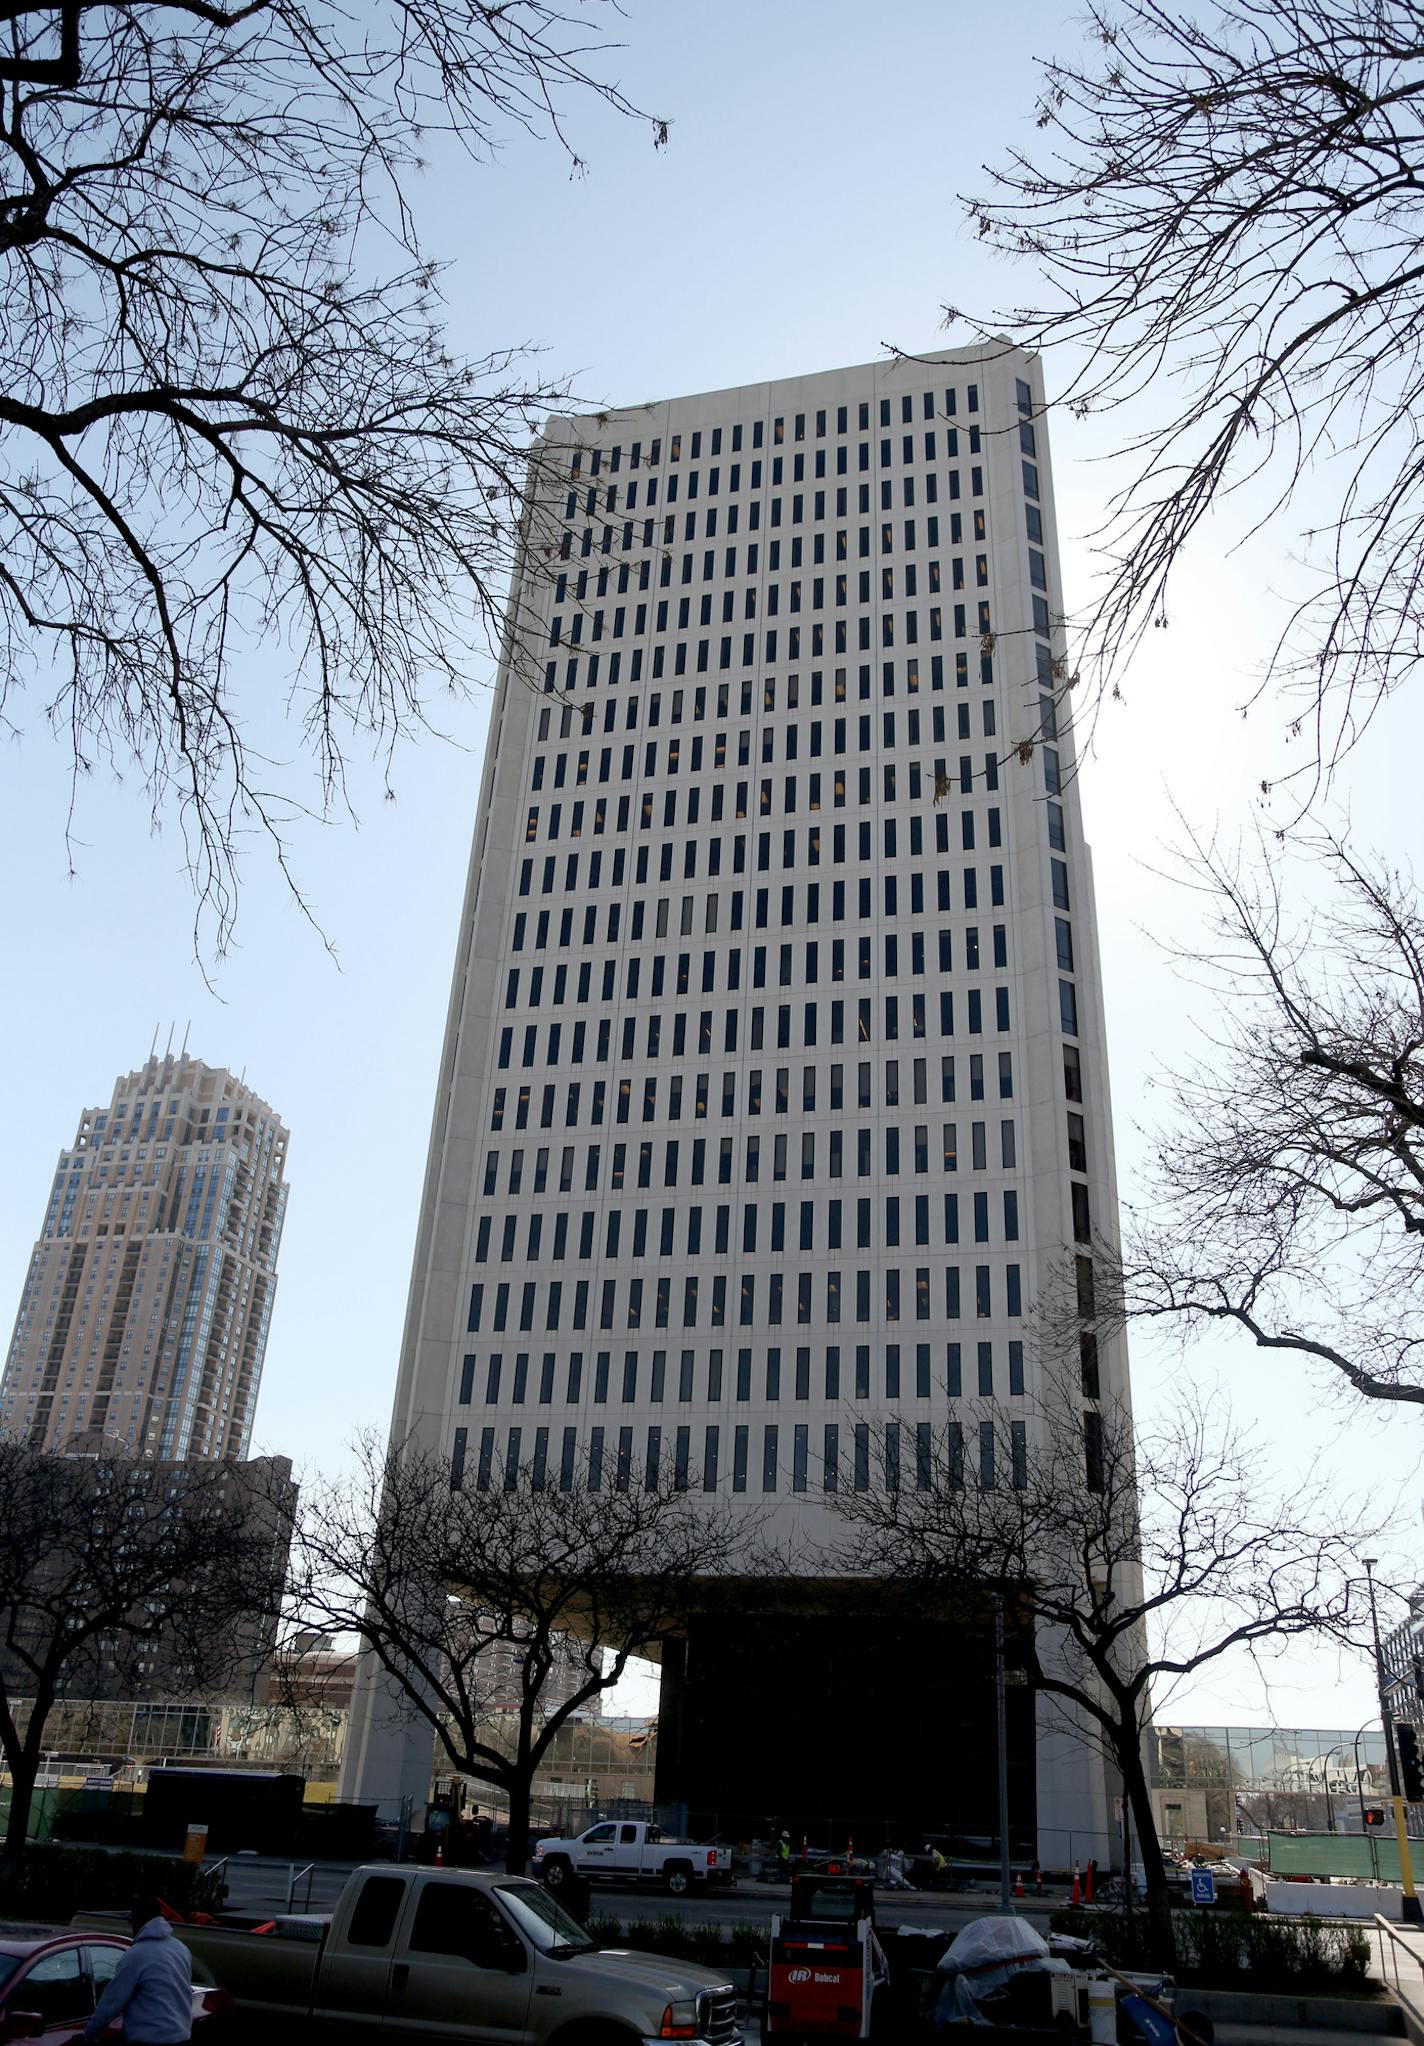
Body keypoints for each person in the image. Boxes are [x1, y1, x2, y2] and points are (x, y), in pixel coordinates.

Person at [82, 1894, 192, 2046]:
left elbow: (111, 2002)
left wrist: (88, 2035)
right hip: (181, 2036)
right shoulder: (181, 1949)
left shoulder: (137, 1955)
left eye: (131, 1921)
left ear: (138, 1920)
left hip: (149, 2040)